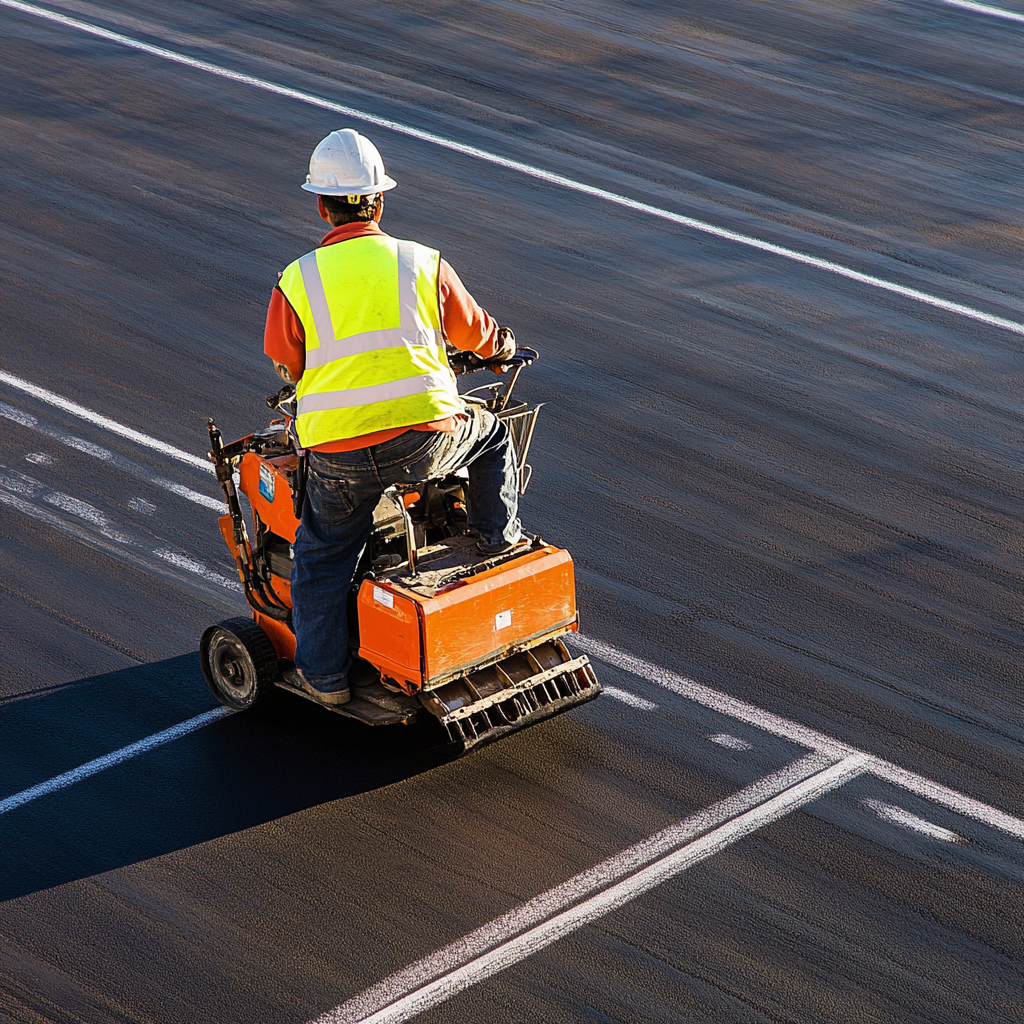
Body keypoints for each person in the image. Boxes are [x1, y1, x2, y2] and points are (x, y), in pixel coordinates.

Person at [264, 128, 521, 706]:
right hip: (424, 440)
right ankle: (496, 539)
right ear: (379, 202)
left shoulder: (297, 278)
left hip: (337, 453)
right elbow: (476, 335)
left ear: (322, 206)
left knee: (324, 552)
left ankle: (325, 679)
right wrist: (501, 349)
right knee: (493, 433)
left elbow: (286, 360)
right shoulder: (422, 262)